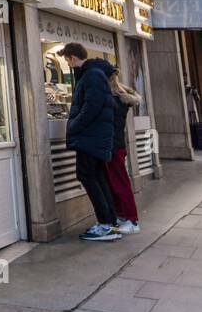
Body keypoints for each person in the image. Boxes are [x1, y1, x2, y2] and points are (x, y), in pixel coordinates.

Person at [59, 43, 120, 242]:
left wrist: (74, 126)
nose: (68, 64)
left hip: (90, 137)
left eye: (67, 60)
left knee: (87, 175)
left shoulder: (92, 75)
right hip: (94, 137)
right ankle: (110, 223)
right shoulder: (93, 73)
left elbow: (92, 107)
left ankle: (105, 224)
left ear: (72, 58)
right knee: (98, 177)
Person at [106, 72, 142, 234]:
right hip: (116, 146)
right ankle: (123, 215)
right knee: (116, 183)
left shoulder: (112, 101)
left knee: (120, 183)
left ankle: (132, 220)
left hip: (113, 147)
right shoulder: (120, 98)